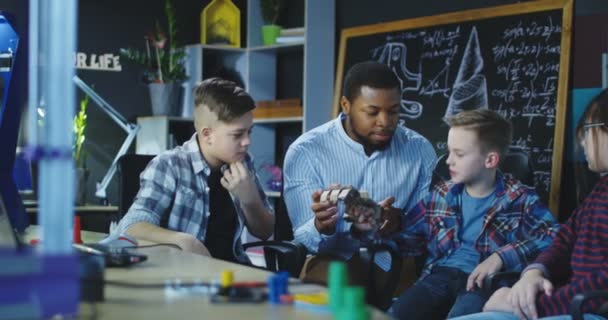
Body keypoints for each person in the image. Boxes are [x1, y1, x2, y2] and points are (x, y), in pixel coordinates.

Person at [282, 61, 436, 300]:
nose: (385, 121)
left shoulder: (420, 150)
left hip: (395, 261)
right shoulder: (306, 152)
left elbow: (430, 229)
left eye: (393, 111)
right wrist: (322, 227)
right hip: (333, 259)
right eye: (372, 112)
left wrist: (400, 221)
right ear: (346, 105)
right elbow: (303, 237)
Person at [385, 109, 559, 319]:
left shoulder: (520, 199)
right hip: (439, 277)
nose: (448, 161)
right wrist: (377, 225)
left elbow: (554, 237)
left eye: (459, 154)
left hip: (484, 284)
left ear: (490, 160)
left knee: (464, 316)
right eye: (449, 152)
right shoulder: (441, 194)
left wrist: (501, 256)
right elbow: (406, 239)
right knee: (393, 316)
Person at [451, 89, 608, 320]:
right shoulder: (600, 190)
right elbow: (564, 239)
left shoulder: (520, 197)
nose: (582, 139)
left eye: (588, 129)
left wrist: (530, 304)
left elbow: (601, 288)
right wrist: (534, 272)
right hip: (565, 303)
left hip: (581, 309)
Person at [116, 78, 275, 264]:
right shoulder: (169, 165)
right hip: (182, 274)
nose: (247, 141)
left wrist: (250, 200)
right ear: (207, 134)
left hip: (232, 271)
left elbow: (265, 232)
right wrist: (182, 240)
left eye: (250, 132)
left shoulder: (243, 163)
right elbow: (130, 226)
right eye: (237, 134)